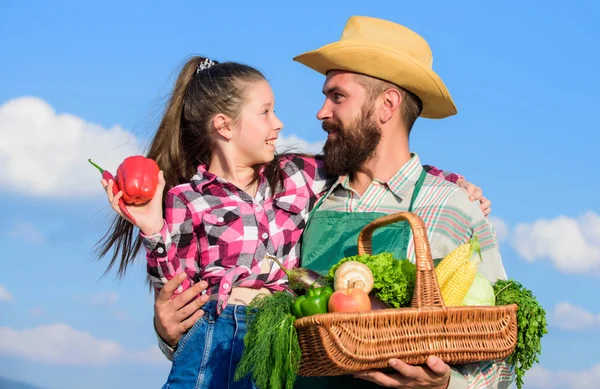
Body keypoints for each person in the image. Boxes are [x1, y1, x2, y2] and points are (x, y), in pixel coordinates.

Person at [97, 56, 484, 389]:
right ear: (224, 126)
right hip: (217, 334)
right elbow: (176, 290)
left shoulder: (294, 176)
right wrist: (151, 230)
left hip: (277, 334)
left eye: (336, 96)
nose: (281, 123)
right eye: (265, 112)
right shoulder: (187, 198)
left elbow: (385, 163)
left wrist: (451, 183)